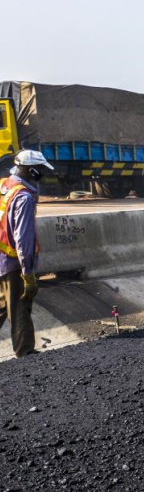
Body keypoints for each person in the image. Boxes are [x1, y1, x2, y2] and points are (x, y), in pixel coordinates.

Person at [0, 150, 53, 357]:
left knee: (3, 306)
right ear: (30, 169)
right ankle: (25, 353)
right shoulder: (24, 197)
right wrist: (28, 274)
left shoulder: (5, 185)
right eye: (40, 169)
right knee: (21, 306)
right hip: (14, 263)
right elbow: (23, 239)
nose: (42, 173)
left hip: (1, 258)